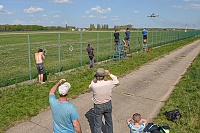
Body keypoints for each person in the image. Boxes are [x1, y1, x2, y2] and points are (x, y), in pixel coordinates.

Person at [89, 68, 119, 133]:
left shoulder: (94, 85)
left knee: (97, 124)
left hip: (98, 105)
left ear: (97, 76)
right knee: (109, 122)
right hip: (108, 103)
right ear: (104, 76)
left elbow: (91, 85)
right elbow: (116, 81)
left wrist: (95, 78)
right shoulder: (109, 83)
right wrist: (109, 74)